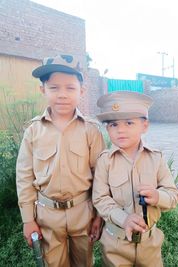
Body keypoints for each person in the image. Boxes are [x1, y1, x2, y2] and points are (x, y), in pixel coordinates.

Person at [16, 54, 105, 267]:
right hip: (47, 216)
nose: (62, 95)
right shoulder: (33, 131)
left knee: (84, 262)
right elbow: (24, 177)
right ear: (43, 90)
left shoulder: (91, 130)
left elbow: (102, 176)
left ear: (81, 91)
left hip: (83, 212)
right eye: (54, 88)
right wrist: (28, 219)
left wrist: (99, 215)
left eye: (70, 88)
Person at [92, 91, 178, 267]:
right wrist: (123, 219)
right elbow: (100, 199)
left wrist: (157, 196)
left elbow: (173, 195)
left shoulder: (156, 158)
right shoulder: (105, 161)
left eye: (129, 123)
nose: (121, 130)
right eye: (114, 124)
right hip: (115, 243)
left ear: (144, 126)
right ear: (107, 128)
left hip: (149, 244)